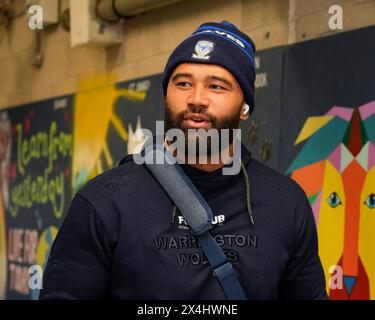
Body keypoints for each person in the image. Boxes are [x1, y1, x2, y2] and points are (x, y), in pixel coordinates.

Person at [39, 21, 327, 300]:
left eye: (216, 86)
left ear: (245, 108)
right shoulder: (105, 203)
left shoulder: (285, 203)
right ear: (167, 95)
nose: (196, 98)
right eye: (184, 83)